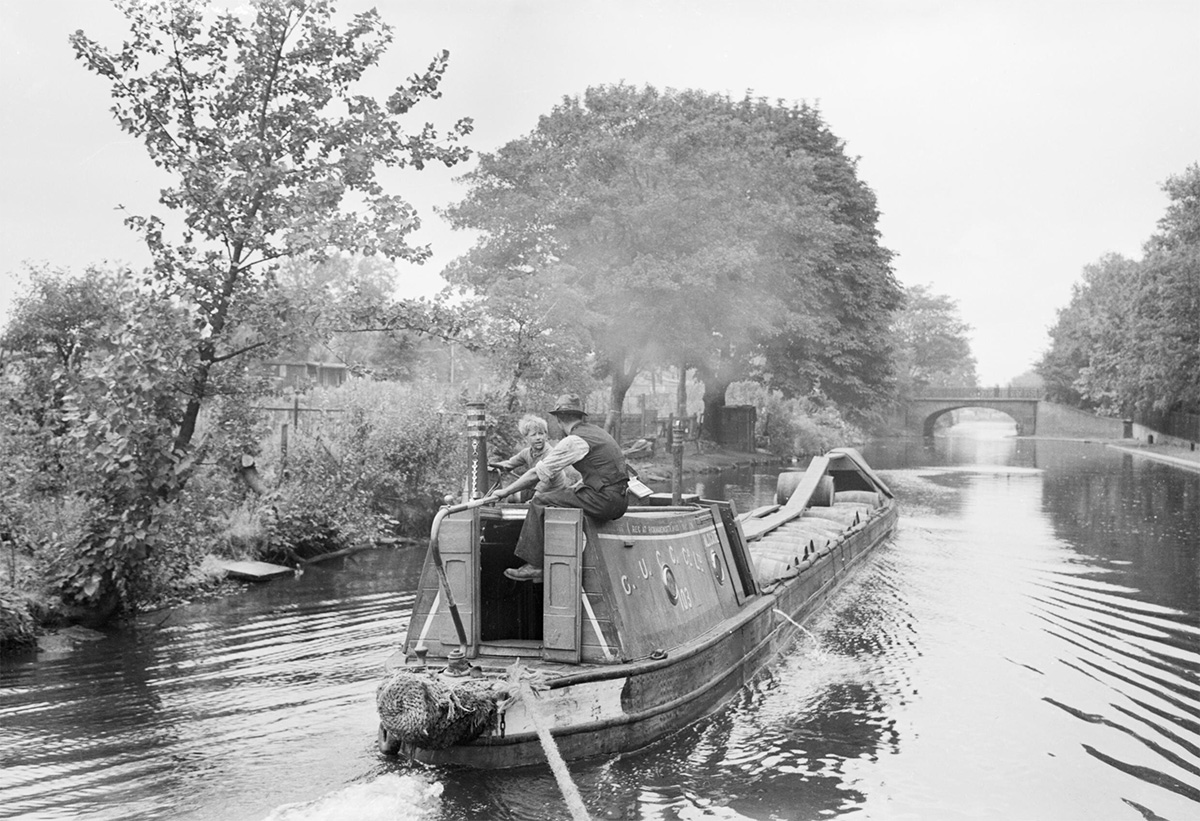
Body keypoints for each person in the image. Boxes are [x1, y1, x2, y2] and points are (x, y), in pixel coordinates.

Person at [492, 393, 629, 582]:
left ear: (558, 419)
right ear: (581, 416)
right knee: (566, 494)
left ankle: (534, 564)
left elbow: (536, 474)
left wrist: (505, 492)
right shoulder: (597, 433)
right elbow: (602, 470)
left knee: (540, 501)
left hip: (604, 500)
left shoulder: (574, 440)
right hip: (620, 499)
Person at [488, 414, 579, 502]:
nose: (538, 438)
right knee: (510, 497)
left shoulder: (550, 454)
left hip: (552, 491)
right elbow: (509, 464)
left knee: (530, 506)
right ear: (526, 438)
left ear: (546, 435)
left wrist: (534, 500)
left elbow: (545, 483)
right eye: (533, 435)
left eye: (541, 434)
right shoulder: (526, 453)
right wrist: (489, 466)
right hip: (536, 489)